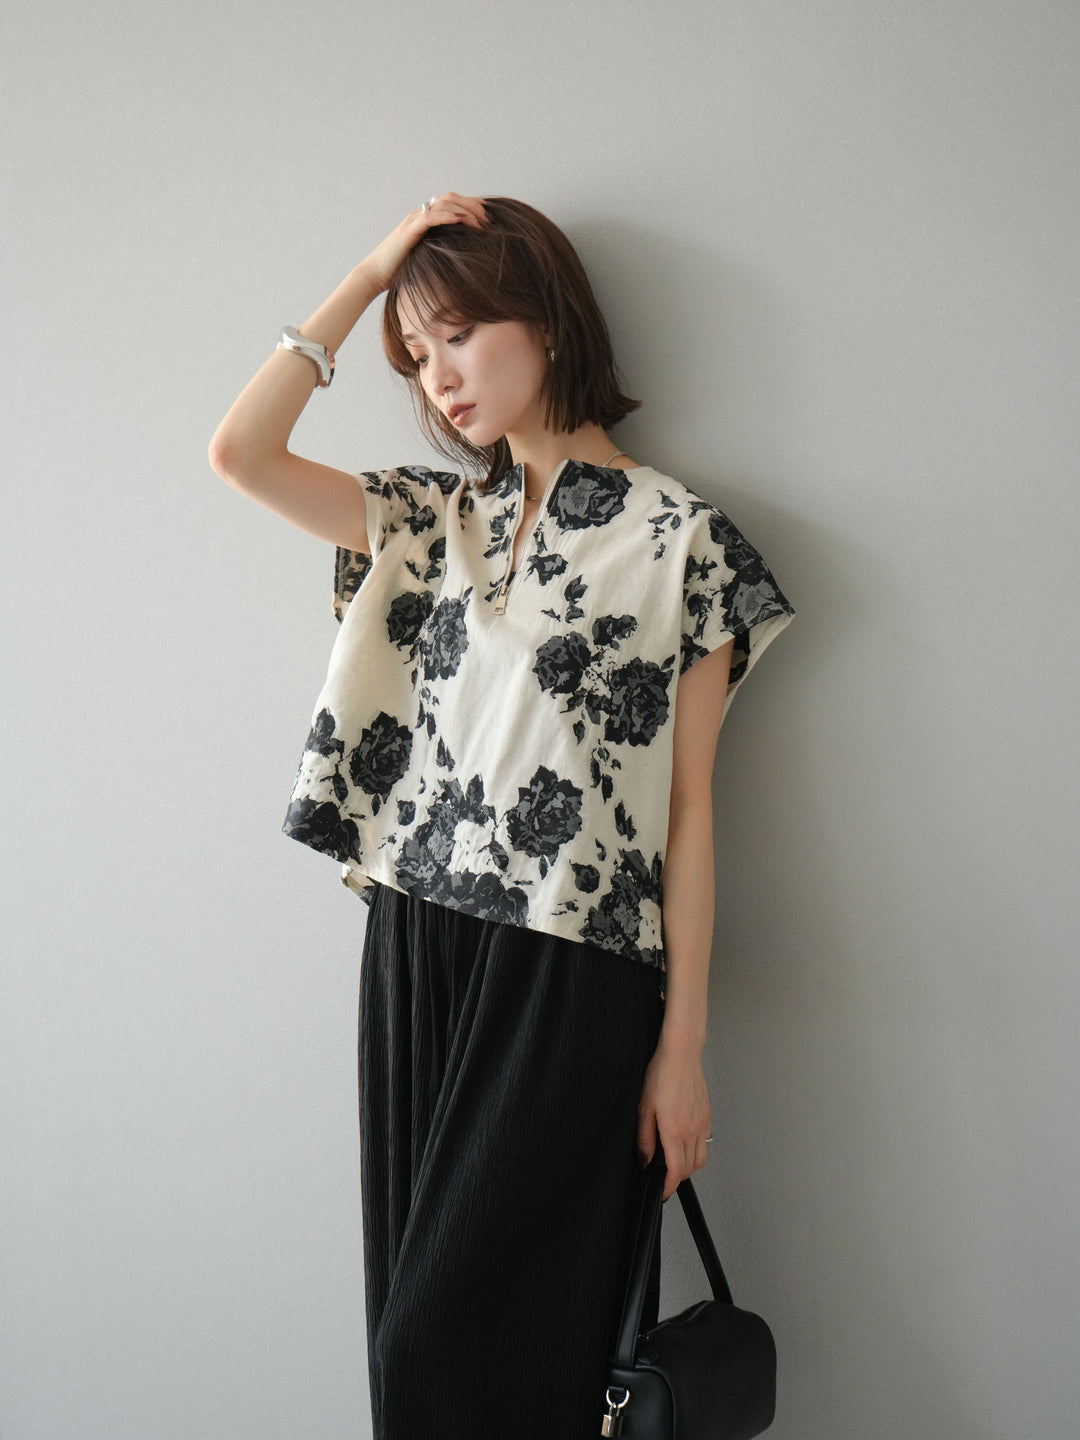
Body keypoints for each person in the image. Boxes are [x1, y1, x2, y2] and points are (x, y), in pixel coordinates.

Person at [208, 192, 794, 1440]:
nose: (439, 376)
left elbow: (689, 815)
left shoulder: (683, 542)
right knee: (411, 1345)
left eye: (461, 334)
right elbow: (241, 455)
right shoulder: (430, 520)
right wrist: (374, 273)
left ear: (549, 319)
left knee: (465, 1346)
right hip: (415, 948)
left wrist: (681, 1050)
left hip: (572, 976)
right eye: (417, 355)